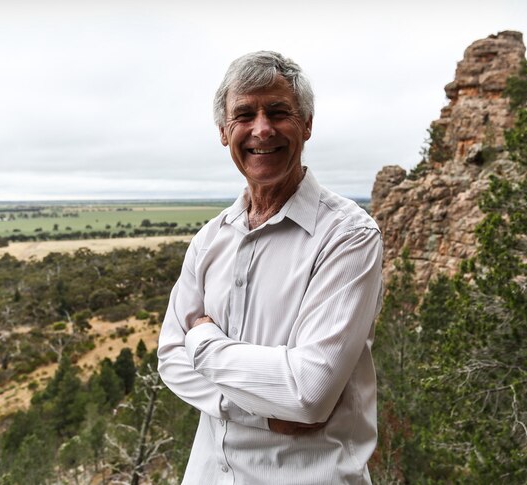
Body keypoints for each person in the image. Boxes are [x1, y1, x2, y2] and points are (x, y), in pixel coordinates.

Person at [157, 51, 383, 484]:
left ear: (308, 124)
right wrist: (257, 412)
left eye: (279, 111)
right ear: (225, 132)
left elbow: (307, 392)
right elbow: (170, 356)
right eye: (244, 114)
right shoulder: (210, 239)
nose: (262, 128)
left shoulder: (348, 235)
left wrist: (204, 342)